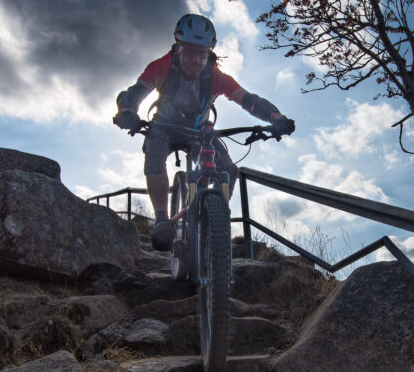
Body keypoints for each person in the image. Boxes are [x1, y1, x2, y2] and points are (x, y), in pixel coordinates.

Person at [113, 13, 295, 251]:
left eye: (201, 53)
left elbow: (248, 100)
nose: (195, 59)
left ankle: (210, 213)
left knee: (228, 170)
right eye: (189, 52)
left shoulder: (215, 75)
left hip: (197, 131)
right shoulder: (163, 66)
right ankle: (161, 221)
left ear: (209, 51)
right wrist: (127, 111)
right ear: (178, 48)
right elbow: (135, 92)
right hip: (164, 127)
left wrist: (276, 117)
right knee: (154, 155)